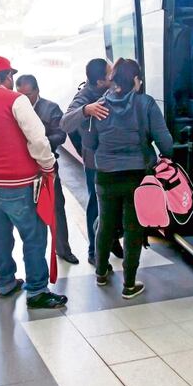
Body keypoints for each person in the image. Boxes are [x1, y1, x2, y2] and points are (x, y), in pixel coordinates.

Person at [0, 56, 67, 310]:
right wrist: (47, 165)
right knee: (33, 234)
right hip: (20, 183)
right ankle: (36, 291)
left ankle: (4, 282)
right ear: (8, 76)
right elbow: (38, 138)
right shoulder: (16, 101)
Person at [87, 58, 173, 299]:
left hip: (105, 176)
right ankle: (129, 284)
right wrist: (166, 156)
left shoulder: (100, 105)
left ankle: (101, 274)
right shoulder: (145, 104)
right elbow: (165, 142)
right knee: (133, 228)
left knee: (105, 224)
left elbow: (91, 143)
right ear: (135, 80)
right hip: (137, 177)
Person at [60, 58, 124, 265]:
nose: (113, 76)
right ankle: (93, 251)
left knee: (118, 203)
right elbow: (65, 123)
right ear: (99, 82)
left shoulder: (113, 89)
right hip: (95, 163)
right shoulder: (84, 96)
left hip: (114, 159)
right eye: (109, 74)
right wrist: (86, 110)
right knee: (96, 205)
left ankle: (112, 240)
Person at [15, 74, 79, 265]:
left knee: (56, 207)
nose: (23, 99)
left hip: (47, 166)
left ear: (37, 91)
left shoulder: (50, 108)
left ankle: (63, 249)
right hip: (23, 169)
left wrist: (40, 143)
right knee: (29, 213)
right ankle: (35, 255)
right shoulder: (14, 108)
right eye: (20, 95)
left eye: (27, 94)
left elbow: (60, 135)